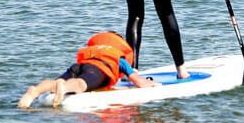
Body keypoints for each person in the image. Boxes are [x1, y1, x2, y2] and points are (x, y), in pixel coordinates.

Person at [18, 31, 160, 108]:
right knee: (80, 84)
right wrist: (150, 84)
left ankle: (34, 91)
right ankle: (65, 86)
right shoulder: (118, 57)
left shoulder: (94, 49)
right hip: (98, 70)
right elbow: (137, 81)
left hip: (80, 65)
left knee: (56, 83)